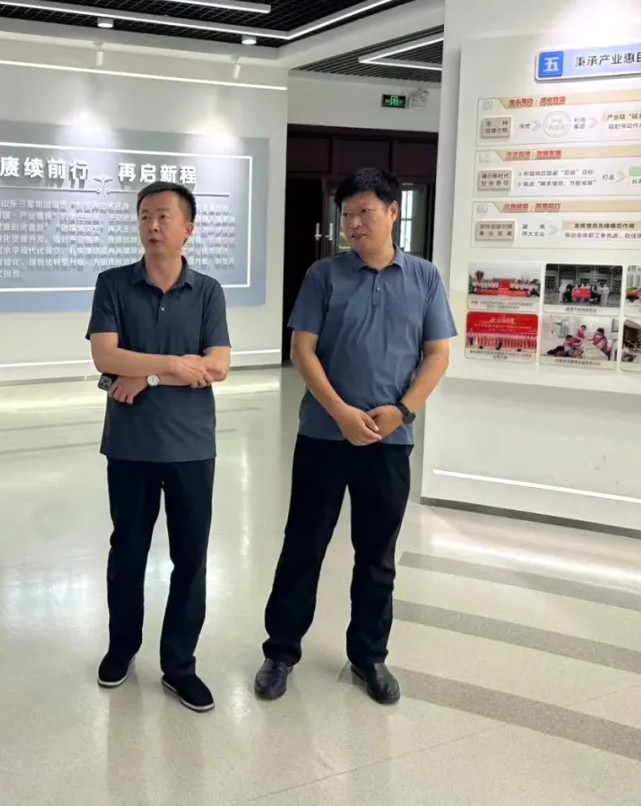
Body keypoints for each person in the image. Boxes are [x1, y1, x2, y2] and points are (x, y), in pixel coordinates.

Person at [253, 168, 456, 706]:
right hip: (324, 435)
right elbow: (302, 350)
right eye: (347, 214)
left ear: (393, 212)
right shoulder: (324, 274)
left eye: (365, 211)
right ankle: (280, 652)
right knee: (303, 546)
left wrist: (403, 411)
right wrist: (341, 412)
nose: (354, 223)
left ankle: (369, 656)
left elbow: (437, 354)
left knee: (377, 555)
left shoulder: (424, 277)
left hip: (389, 442)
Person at [86, 181, 231, 713]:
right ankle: (121, 648)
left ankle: (179, 665)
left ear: (187, 228)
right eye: (145, 215)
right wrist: (172, 365)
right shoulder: (113, 284)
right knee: (127, 552)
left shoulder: (208, 291)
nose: (153, 225)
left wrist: (145, 376)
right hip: (130, 445)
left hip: (192, 446)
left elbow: (217, 366)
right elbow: (105, 356)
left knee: (190, 558)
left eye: (164, 216)